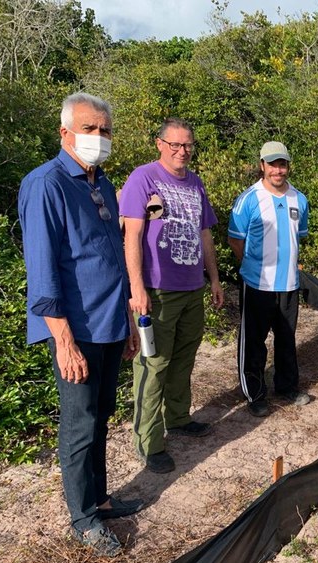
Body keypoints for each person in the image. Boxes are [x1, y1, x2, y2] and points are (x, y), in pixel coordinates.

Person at [19, 92, 143, 557]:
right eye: (90, 129)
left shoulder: (102, 183)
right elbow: (44, 272)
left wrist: (128, 320)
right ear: (65, 132)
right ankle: (84, 519)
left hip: (110, 323)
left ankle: (101, 498)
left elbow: (110, 257)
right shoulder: (46, 184)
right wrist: (64, 343)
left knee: (102, 415)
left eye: (105, 130)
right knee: (78, 424)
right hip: (76, 329)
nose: (99, 138)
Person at [119, 118, 224, 475]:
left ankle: (178, 418)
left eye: (188, 145)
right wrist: (137, 287)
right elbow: (131, 235)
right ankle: (149, 442)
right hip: (157, 292)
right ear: (159, 143)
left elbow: (205, 233)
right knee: (153, 364)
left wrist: (214, 279)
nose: (182, 151)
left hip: (192, 287)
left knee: (183, 357)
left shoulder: (195, 183)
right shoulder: (143, 178)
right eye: (175, 144)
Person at [228, 141, 310, 418]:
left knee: (286, 338)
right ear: (262, 165)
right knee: (254, 341)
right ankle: (255, 393)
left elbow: (297, 238)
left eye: (282, 164)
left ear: (288, 166)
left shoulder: (299, 199)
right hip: (257, 284)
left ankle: (287, 387)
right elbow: (235, 240)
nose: (278, 170)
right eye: (272, 164)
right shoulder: (248, 199)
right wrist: (252, 266)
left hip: (289, 283)